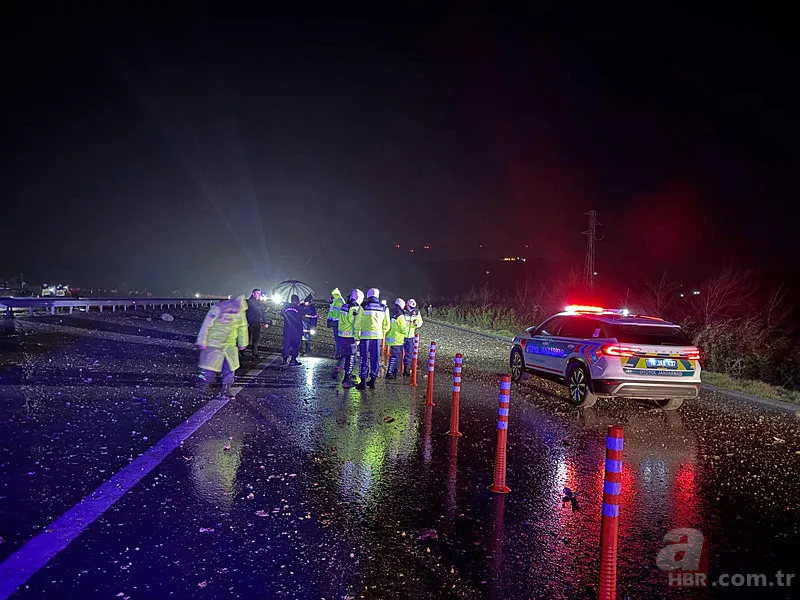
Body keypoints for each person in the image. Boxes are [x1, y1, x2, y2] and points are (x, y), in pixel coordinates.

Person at [196, 296, 249, 398]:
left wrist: (243, 342)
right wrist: (202, 340)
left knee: (230, 368)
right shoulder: (217, 309)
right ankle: (206, 388)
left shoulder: (241, 312)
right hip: (214, 343)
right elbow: (207, 325)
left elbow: (242, 327)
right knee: (210, 368)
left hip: (230, 345)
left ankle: (226, 389)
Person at [356, 288, 390, 389]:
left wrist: (356, 335)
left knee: (364, 358)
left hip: (365, 337)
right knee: (375, 358)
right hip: (377, 337)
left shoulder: (363, 306)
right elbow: (387, 325)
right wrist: (382, 333)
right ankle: (373, 381)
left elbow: (358, 322)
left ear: (368, 295)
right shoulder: (384, 308)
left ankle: (362, 381)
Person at [336, 288, 364, 386]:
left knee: (346, 355)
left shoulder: (345, 306)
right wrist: (357, 337)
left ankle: (342, 372)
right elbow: (355, 323)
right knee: (351, 357)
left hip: (342, 335)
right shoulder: (354, 308)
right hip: (350, 336)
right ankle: (346, 380)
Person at [385, 298, 408, 379]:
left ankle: (394, 372)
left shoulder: (391, 312)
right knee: (395, 357)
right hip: (397, 338)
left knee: (394, 357)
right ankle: (390, 373)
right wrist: (407, 332)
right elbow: (403, 328)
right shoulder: (400, 315)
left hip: (390, 337)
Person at [281, 294, 305, 365]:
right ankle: (293, 360)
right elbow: (303, 315)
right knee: (296, 346)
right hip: (297, 330)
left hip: (287, 329)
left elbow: (282, 313)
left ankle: (284, 359)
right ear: (297, 300)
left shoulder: (286, 308)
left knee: (286, 345)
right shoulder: (299, 308)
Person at [403, 298, 424, 376]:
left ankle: (406, 370)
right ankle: (394, 371)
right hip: (402, 335)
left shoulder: (416, 312)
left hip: (410, 336)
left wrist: (416, 324)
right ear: (406, 305)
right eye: (410, 307)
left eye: (412, 308)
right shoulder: (402, 311)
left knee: (409, 354)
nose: (411, 309)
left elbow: (420, 322)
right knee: (397, 354)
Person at [245, 288, 269, 358]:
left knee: (256, 338)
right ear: (253, 294)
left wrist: (265, 322)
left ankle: (255, 352)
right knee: (248, 337)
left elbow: (263, 313)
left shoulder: (260, 303)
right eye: (257, 293)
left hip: (257, 321)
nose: (259, 295)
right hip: (250, 322)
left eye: (259, 294)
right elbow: (247, 312)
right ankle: (242, 351)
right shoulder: (249, 302)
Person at [327, 288, 345, 359]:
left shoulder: (337, 302)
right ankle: (339, 353)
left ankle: (338, 353)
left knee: (338, 339)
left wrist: (330, 320)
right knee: (338, 339)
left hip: (337, 322)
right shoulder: (338, 301)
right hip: (338, 322)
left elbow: (334, 313)